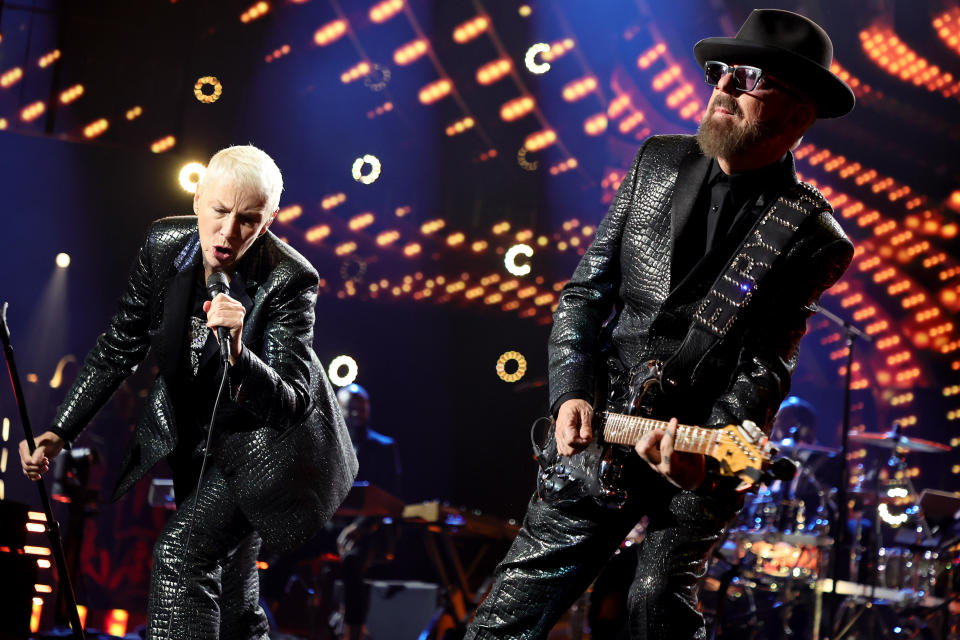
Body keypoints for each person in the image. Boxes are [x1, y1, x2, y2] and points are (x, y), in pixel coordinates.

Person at [465, 9, 855, 639]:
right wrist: (569, 390)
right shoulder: (656, 161)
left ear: (799, 113)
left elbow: (765, 364)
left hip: (699, 446)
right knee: (505, 619)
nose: (723, 87)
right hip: (604, 427)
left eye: (749, 77)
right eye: (721, 72)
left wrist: (715, 447)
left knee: (654, 606)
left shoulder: (810, 233)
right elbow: (584, 295)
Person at [19, 145, 358, 639]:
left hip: (271, 453)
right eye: (219, 211)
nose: (228, 232)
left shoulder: (289, 278)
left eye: (248, 219)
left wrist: (241, 355)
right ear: (198, 199)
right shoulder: (163, 246)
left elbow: (292, 404)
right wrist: (59, 430)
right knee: (235, 605)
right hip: (204, 447)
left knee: (182, 554)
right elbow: (120, 345)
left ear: (269, 220)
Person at [335, 383, 402, 640]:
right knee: (284, 548)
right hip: (332, 526)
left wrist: (360, 526)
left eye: (361, 407)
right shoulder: (331, 446)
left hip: (369, 529)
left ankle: (354, 632)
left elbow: (391, 498)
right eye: (350, 408)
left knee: (353, 561)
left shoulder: (384, 447)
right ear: (338, 409)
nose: (356, 413)